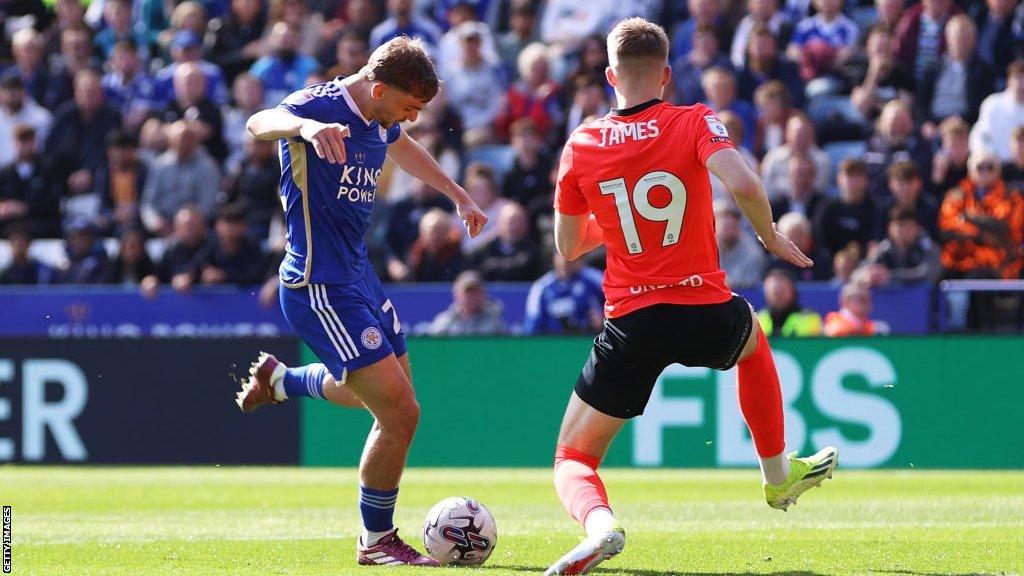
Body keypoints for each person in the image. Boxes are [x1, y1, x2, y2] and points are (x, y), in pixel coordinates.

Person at [544, 18, 837, 576]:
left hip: (631, 318)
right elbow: (746, 185)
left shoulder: (581, 143)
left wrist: (615, 216)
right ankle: (777, 475)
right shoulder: (694, 119)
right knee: (752, 340)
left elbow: (566, 246)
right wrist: (769, 234)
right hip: (703, 306)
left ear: (610, 76)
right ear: (668, 74)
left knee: (573, 458)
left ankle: (601, 527)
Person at [236, 36, 487, 566]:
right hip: (318, 284)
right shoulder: (318, 106)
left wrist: (457, 194)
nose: (412, 119)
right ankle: (376, 541)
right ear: (377, 88)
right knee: (400, 414)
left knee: (380, 398)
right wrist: (304, 128)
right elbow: (258, 122)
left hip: (359, 279)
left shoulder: (379, 117)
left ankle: (284, 381)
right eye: (408, 107)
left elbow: (400, 144)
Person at [523, 252, 605, 335]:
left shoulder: (596, 279)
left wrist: (603, 319)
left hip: (588, 339)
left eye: (573, 255)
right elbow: (532, 325)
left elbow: (615, 305)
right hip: (553, 342)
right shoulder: (541, 287)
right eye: (561, 254)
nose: (567, 260)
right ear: (554, 257)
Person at [427, 270, 507, 335]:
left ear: (483, 294)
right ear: (456, 293)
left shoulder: (495, 323)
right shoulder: (444, 322)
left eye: (475, 292)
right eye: (467, 292)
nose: (471, 297)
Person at [756, 269, 823, 336]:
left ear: (793, 290)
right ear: (766, 293)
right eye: (774, 292)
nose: (779, 296)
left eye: (782, 290)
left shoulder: (810, 317)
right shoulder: (757, 321)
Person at [823, 282, 888, 336]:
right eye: (861, 300)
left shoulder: (875, 326)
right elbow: (834, 330)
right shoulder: (834, 320)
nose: (867, 303)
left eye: (868, 300)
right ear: (845, 301)